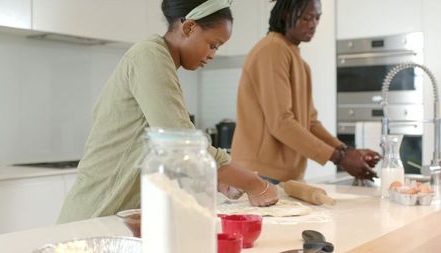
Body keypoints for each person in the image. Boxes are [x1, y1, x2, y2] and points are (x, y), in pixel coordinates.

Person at [57, 0, 278, 224]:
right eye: (213, 44)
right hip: (94, 216)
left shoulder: (159, 60)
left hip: (119, 219)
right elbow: (183, 146)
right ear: (189, 27)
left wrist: (216, 179)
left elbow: (162, 153)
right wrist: (255, 184)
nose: (212, 54)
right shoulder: (149, 55)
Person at [231, 0, 381, 184]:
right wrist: (340, 158)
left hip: (284, 176)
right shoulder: (272, 50)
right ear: (286, 15)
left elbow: (310, 123)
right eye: (307, 17)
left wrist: (346, 151)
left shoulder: (300, 62)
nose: (313, 24)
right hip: (259, 173)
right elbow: (281, 122)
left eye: (317, 18)